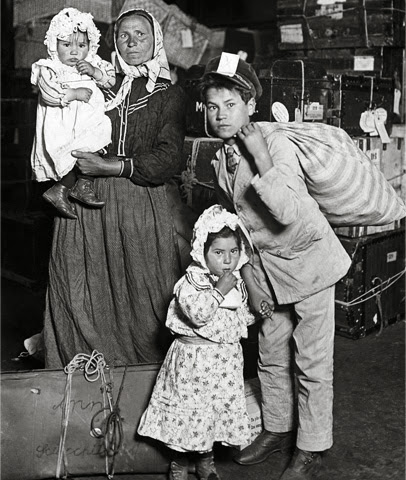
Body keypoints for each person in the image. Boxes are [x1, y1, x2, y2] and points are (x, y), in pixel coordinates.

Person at [198, 53, 352, 480]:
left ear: (251, 105)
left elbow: (284, 212)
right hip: (268, 272)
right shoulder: (220, 158)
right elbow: (239, 229)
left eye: (231, 105)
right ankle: (279, 429)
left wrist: (261, 155)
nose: (221, 115)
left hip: (309, 263)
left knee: (312, 361)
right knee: (270, 354)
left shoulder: (275, 143)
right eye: (212, 106)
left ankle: (312, 446)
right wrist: (250, 280)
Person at [42, 7, 186, 368]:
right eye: (124, 35)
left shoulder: (169, 94)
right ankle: (82, 376)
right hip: (83, 201)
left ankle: (142, 380)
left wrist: (111, 165)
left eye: (141, 35)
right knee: (79, 290)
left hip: (138, 202)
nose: (132, 42)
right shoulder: (96, 83)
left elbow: (168, 159)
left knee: (142, 295)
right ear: (114, 43)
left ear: (156, 41)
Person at [137, 204, 261, 480]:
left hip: (223, 365)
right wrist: (218, 291)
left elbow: (239, 320)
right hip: (193, 365)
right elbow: (198, 314)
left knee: (212, 414)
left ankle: (206, 461)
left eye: (233, 251)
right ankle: (179, 462)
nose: (227, 260)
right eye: (218, 252)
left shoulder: (236, 282)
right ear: (202, 252)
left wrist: (256, 309)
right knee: (188, 414)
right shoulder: (191, 282)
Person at [31, 7, 116, 219]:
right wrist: (73, 93)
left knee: (97, 142)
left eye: (81, 45)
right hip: (64, 124)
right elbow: (49, 94)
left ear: (90, 46)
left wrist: (95, 72)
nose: (74, 52)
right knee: (71, 154)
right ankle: (61, 187)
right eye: (66, 45)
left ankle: (82, 185)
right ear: (54, 44)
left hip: (90, 121)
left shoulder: (93, 63)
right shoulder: (49, 68)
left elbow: (110, 80)